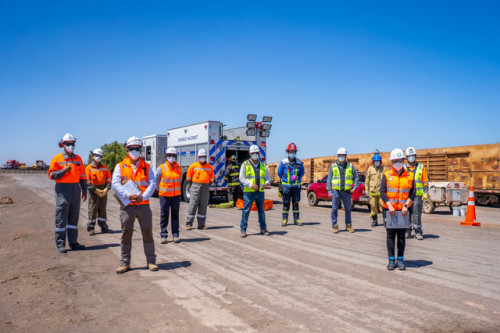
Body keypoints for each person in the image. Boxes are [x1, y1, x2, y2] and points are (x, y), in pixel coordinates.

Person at [112, 136, 158, 274]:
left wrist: (143, 196)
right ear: (127, 149)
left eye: (137, 149)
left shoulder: (147, 166)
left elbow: (152, 183)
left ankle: (151, 262)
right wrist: (127, 195)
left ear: (141, 150)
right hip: (127, 206)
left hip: (143, 204)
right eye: (132, 149)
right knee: (126, 233)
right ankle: (125, 263)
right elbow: (115, 184)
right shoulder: (120, 166)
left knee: (147, 232)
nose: (135, 151)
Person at [47, 133, 87, 253]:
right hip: (63, 192)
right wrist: (64, 171)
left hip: (76, 190)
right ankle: (60, 244)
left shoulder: (78, 159)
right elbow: (51, 175)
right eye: (68, 144)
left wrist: (84, 190)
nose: (70, 146)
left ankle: (73, 242)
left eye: (72, 144)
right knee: (61, 218)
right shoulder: (57, 158)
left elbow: (83, 176)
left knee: (73, 219)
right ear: (63, 145)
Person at [381, 148, 416, 270]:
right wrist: (389, 205)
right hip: (389, 211)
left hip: (403, 211)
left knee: (401, 236)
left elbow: (413, 192)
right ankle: (391, 260)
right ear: (392, 162)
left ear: (403, 160)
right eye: (395, 160)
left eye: (400, 160)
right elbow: (382, 191)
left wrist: (406, 205)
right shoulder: (386, 175)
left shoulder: (410, 175)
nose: (398, 162)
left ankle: (400, 260)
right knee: (390, 236)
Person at [239, 145, 271, 238]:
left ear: (259, 153)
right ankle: (243, 229)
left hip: (260, 192)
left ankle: (263, 228)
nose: (255, 155)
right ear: (249, 154)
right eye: (253, 153)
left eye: (256, 153)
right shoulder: (245, 164)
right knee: (246, 211)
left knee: (261, 211)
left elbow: (267, 177)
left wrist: (267, 183)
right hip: (249, 192)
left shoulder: (263, 165)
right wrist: (250, 185)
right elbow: (241, 178)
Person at [327, 147, 359, 233]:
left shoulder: (350, 166)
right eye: (340, 155)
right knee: (334, 209)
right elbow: (329, 179)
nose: (341, 157)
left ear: (345, 156)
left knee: (348, 209)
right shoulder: (333, 166)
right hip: (336, 191)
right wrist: (329, 191)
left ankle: (348, 225)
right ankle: (334, 225)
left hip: (347, 192)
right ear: (337, 156)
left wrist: (354, 187)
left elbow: (356, 177)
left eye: (343, 155)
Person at [155, 147, 183, 244]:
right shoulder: (161, 168)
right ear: (166, 157)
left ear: (176, 157)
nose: (171, 157)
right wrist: (160, 191)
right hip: (165, 196)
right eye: (169, 155)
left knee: (175, 216)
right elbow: (156, 180)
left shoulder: (179, 168)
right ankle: (164, 235)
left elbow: (179, 181)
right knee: (164, 216)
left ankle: (175, 235)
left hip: (176, 196)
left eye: (173, 155)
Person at [85, 148, 113, 236]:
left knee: (102, 209)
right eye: (96, 155)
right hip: (93, 191)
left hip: (103, 190)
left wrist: (106, 189)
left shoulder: (105, 168)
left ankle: (103, 227)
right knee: (92, 209)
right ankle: (91, 228)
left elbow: (109, 179)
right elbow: (87, 181)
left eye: (100, 156)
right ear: (92, 156)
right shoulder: (88, 168)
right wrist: (95, 190)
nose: (98, 157)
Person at [185, 149, 215, 230]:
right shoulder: (193, 166)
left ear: (206, 157)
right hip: (195, 186)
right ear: (198, 157)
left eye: (203, 156)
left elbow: (212, 178)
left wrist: (208, 184)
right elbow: (188, 177)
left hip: (205, 187)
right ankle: (189, 223)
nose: (202, 158)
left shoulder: (209, 167)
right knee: (193, 204)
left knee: (203, 205)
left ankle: (201, 224)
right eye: (200, 156)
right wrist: (191, 185)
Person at [404, 147, 429, 240]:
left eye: (412, 156)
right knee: (406, 213)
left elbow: (425, 180)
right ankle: (407, 231)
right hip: (406, 195)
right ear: (406, 157)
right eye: (409, 156)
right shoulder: (403, 168)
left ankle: (418, 232)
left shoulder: (421, 167)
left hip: (417, 195)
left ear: (415, 156)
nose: (411, 157)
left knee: (416, 214)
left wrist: (425, 192)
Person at [277, 143, 305, 226]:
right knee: (286, 203)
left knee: (296, 203)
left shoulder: (299, 162)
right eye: (290, 151)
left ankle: (296, 220)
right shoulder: (284, 162)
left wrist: (297, 178)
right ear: (288, 152)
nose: (292, 153)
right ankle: (285, 220)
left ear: (295, 152)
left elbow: (302, 173)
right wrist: (286, 179)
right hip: (286, 186)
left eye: (293, 151)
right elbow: (279, 173)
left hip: (296, 187)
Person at [365, 153, 385, 227]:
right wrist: (366, 190)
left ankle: (385, 221)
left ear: (380, 161)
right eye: (375, 161)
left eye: (378, 161)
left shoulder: (383, 169)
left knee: (382, 206)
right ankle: (374, 221)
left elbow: (386, 180)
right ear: (373, 162)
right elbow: (367, 180)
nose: (377, 162)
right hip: (372, 192)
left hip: (381, 192)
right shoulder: (370, 169)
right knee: (373, 206)